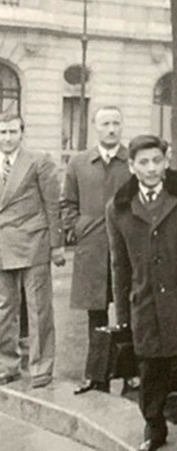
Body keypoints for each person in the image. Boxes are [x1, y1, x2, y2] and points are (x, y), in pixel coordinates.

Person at [106, 135, 177, 450]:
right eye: (143, 162)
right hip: (147, 303)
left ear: (167, 161)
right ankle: (154, 427)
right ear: (131, 166)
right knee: (151, 371)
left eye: (157, 160)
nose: (151, 168)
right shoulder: (119, 207)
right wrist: (124, 316)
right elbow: (119, 265)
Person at [62, 106, 131, 394]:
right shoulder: (79, 163)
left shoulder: (131, 161)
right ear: (95, 126)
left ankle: (132, 374)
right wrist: (78, 227)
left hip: (127, 247)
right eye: (105, 123)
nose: (111, 128)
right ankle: (96, 375)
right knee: (96, 313)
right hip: (92, 247)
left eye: (116, 122)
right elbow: (67, 203)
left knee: (130, 310)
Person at [0, 113, 63, 388]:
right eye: (2, 132)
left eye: (13, 131)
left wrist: (57, 244)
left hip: (33, 241)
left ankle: (41, 367)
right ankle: (7, 364)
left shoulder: (39, 161)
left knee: (38, 308)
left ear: (22, 133)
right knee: (3, 309)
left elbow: (52, 204)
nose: (7, 137)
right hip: (2, 245)